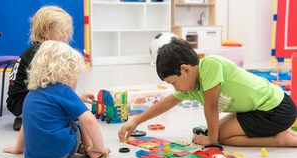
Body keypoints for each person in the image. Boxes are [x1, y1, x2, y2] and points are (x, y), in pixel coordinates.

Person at [118, 38, 297, 147]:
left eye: (174, 82)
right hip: (262, 110)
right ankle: (283, 133)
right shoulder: (190, 85)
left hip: (275, 109)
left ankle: (281, 140)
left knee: (223, 137)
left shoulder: (210, 65)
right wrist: (135, 121)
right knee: (218, 129)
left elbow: (211, 107)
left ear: (185, 69)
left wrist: (212, 140)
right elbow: (167, 102)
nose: (176, 89)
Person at [3, 40, 110, 158]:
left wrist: (18, 149)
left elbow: (25, 122)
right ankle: (92, 149)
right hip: (60, 154)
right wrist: (100, 147)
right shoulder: (64, 90)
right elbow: (90, 120)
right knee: (78, 115)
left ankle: (81, 147)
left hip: (33, 157)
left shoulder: (33, 91)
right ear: (66, 73)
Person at [7, 5, 73, 131]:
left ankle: (29, 117)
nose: (65, 37)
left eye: (67, 32)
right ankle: (29, 118)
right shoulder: (42, 52)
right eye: (61, 32)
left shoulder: (40, 48)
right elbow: (52, 86)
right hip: (22, 104)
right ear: (43, 32)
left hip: (19, 102)